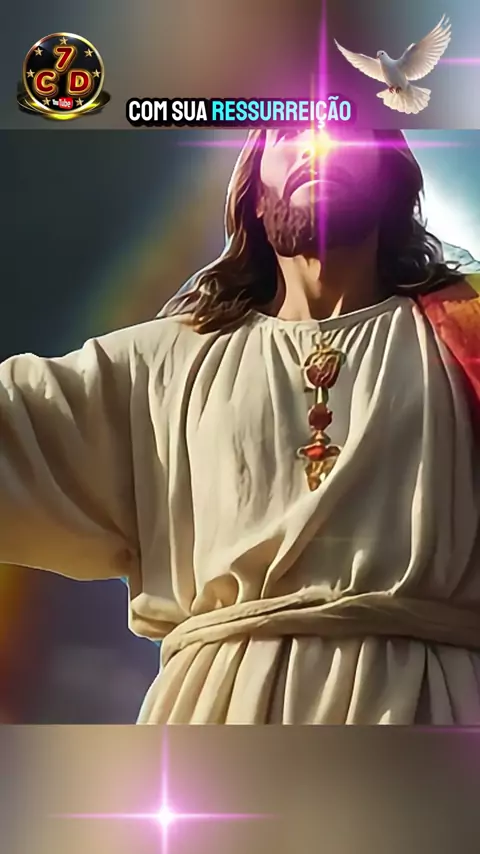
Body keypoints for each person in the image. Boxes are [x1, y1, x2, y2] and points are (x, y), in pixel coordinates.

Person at [1, 127, 480, 725]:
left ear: (392, 178)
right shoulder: (162, 363)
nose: (317, 145)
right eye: (288, 132)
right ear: (253, 194)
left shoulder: (467, 338)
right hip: (220, 712)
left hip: (430, 713)